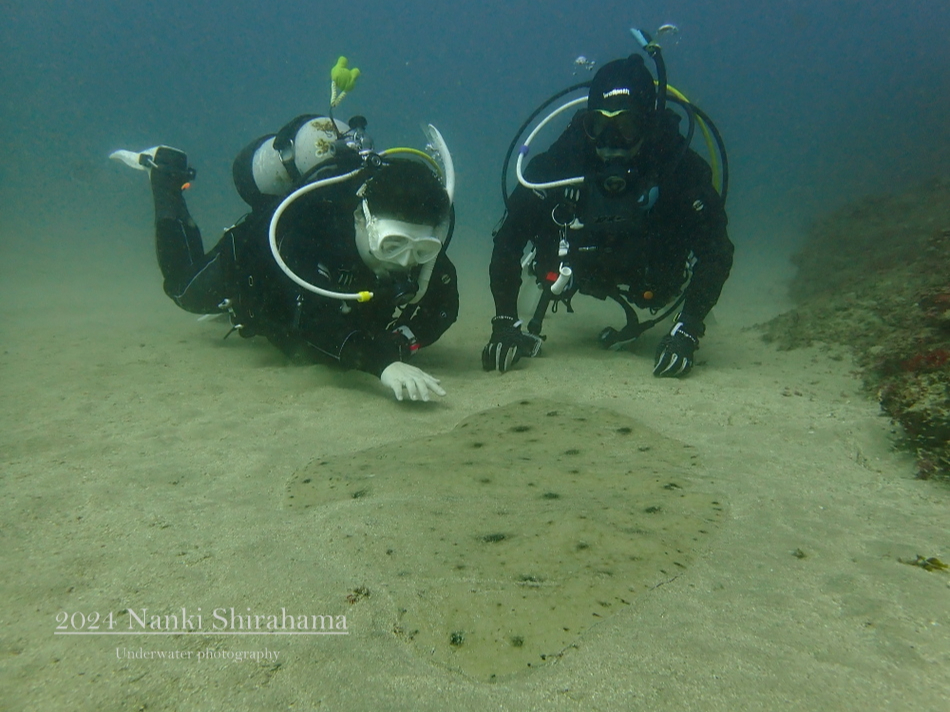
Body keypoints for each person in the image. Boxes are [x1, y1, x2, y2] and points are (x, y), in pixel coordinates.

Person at [112, 110, 459, 402]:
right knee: (183, 290)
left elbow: (443, 305)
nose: (404, 261)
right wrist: (381, 363)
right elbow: (312, 323)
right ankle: (166, 175)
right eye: (391, 244)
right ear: (360, 219)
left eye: (422, 249)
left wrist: (403, 342)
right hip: (255, 261)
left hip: (323, 295)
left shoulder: (421, 247)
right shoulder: (312, 234)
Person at [482, 38, 734, 378]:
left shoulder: (679, 168)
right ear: (587, 124)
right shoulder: (563, 160)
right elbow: (509, 238)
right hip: (575, 272)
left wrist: (689, 327)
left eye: (626, 127)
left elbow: (716, 250)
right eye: (599, 126)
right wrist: (504, 321)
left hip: (653, 279)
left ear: (648, 124)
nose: (610, 142)